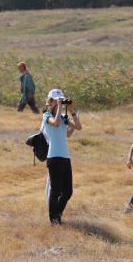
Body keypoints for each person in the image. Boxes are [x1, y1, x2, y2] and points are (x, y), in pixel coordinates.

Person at [43, 89, 82, 224]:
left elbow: (78, 127)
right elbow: (56, 123)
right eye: (56, 100)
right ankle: (53, 220)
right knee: (55, 190)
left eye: (61, 100)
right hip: (54, 156)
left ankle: (57, 215)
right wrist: (59, 107)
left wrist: (72, 110)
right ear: (50, 101)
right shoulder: (47, 116)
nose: (59, 102)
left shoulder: (64, 117)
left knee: (67, 192)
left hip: (65, 157)